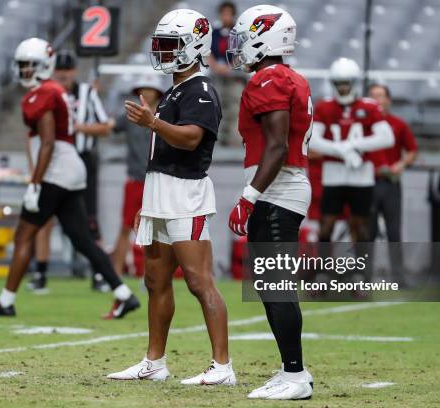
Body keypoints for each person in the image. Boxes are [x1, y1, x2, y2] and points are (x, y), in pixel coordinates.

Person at [107, 9, 235, 385]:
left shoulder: (201, 90)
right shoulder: (176, 90)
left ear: (193, 47)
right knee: (154, 280)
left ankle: (223, 366)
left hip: (186, 193)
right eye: (160, 45)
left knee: (199, 281)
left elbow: (192, 137)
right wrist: (147, 204)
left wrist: (153, 123)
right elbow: (159, 151)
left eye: (170, 45)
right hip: (160, 193)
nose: (162, 52)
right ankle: (154, 362)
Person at [0, 38, 139, 318]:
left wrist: (35, 183)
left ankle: (5, 301)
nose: (25, 71)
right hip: (68, 168)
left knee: (24, 234)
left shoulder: (45, 93)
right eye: (22, 66)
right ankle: (124, 295)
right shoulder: (51, 91)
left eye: (30, 66)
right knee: (82, 239)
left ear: (43, 66)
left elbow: (48, 142)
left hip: (57, 170)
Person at [226, 5, 313, 400]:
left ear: (264, 39)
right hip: (281, 189)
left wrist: (248, 197)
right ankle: (290, 370)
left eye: (244, 40)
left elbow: (276, 146)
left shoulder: (270, 78)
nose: (239, 49)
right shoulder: (286, 76)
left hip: (279, 190)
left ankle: (295, 375)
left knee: (276, 285)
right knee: (269, 284)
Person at [27, 50, 115, 293]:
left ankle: (99, 274)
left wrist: (78, 128)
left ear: (74, 70)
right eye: (60, 69)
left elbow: (106, 126)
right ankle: (40, 273)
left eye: (67, 69)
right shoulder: (47, 93)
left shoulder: (87, 93)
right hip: (53, 162)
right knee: (42, 219)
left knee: (90, 221)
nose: (64, 74)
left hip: (82, 161)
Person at [309, 58, 394, 243]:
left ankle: (361, 271)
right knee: (326, 226)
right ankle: (324, 270)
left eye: (346, 84)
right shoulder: (324, 106)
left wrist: (354, 146)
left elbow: (387, 137)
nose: (343, 89)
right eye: (339, 84)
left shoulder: (369, 106)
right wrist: (341, 150)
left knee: (362, 226)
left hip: (361, 174)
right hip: (333, 174)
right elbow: (312, 141)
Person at [110, 73, 164, 276]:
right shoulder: (130, 116)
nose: (146, 93)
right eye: (143, 89)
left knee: (159, 231)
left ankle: (155, 273)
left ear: (157, 93)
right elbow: (109, 127)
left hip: (158, 180)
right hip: (135, 180)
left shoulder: (165, 115)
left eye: (150, 89)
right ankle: (114, 275)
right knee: (125, 228)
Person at [368, 84, 418, 243]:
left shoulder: (398, 124)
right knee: (367, 232)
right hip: (367, 182)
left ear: (388, 99)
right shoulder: (362, 124)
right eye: (373, 96)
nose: (377, 100)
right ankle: (364, 267)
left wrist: (401, 165)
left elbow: (412, 150)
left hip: (390, 183)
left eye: (380, 95)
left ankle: (397, 267)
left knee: (394, 231)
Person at [209, 1, 243, 146]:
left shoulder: (239, 33)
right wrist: (216, 66)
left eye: (229, 14)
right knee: (216, 107)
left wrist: (230, 67)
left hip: (236, 78)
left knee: (235, 107)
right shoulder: (214, 33)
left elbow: (241, 53)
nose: (226, 17)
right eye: (224, 14)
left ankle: (234, 142)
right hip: (216, 76)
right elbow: (207, 52)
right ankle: (217, 141)